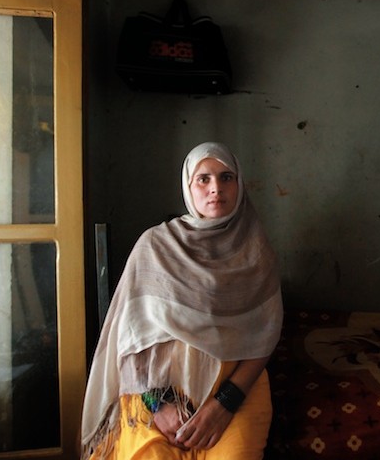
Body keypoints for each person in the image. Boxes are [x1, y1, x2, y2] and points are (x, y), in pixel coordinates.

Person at [81, 142, 283, 460]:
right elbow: (131, 340)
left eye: (226, 177)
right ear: (188, 186)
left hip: (237, 392)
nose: (216, 187)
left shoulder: (257, 254)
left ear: (239, 184)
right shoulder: (155, 246)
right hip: (158, 391)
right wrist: (158, 405)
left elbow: (265, 338)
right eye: (203, 178)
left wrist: (224, 404)